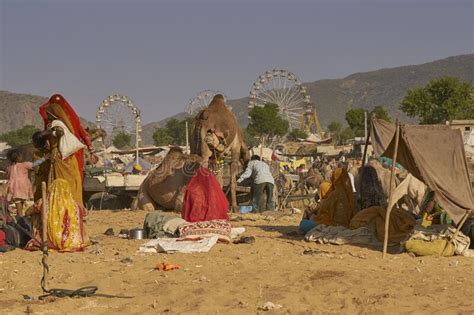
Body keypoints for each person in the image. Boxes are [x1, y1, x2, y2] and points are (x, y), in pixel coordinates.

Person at [38, 94, 98, 209]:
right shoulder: (71, 119)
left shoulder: (55, 121)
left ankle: (64, 205)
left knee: (62, 180)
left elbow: (52, 136)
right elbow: (84, 135)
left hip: (61, 154)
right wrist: (91, 150)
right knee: (75, 179)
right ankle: (75, 205)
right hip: (74, 154)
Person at [6, 149, 48, 216]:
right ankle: (21, 215)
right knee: (22, 199)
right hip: (23, 185)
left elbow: (8, 176)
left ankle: (20, 215)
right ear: (18, 157)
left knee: (18, 201)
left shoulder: (9, 168)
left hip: (14, 187)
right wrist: (44, 158)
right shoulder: (24, 165)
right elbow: (34, 164)